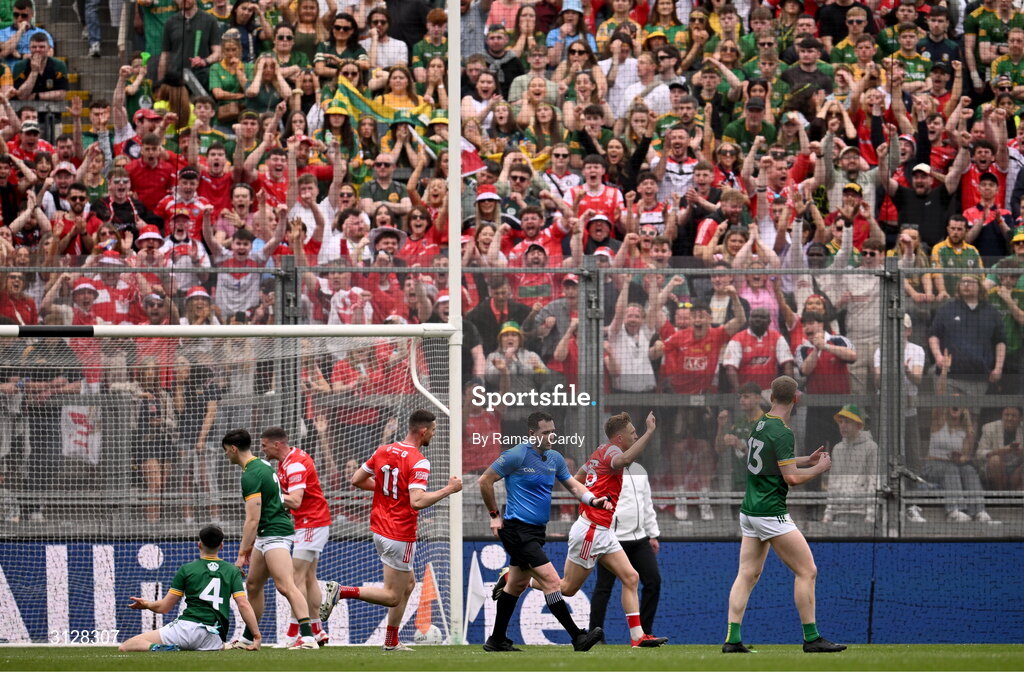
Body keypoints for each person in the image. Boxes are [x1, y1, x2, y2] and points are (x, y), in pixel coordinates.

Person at [319, 410, 462, 651]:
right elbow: (417, 501)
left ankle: (391, 641)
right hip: (400, 533)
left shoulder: (383, 450)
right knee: (393, 595)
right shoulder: (419, 461)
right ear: (423, 431)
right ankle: (342, 592)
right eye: (434, 431)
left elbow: (356, 479)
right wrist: (449, 489)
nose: (434, 435)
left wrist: (387, 489)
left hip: (379, 528)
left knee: (408, 585)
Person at [722, 375, 846, 654]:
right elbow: (790, 478)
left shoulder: (760, 424)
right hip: (770, 512)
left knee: (747, 574)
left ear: (771, 397)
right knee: (807, 571)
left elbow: (774, 461)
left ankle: (732, 640)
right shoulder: (783, 430)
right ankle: (812, 638)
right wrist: (818, 469)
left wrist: (806, 459)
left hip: (750, 510)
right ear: (796, 398)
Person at [477, 411, 607, 652]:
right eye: (546, 432)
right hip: (517, 530)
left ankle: (496, 640)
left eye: (553, 431)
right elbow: (485, 480)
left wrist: (592, 499)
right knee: (550, 581)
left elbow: (573, 486)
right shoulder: (516, 455)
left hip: (536, 532)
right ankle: (577, 637)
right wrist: (494, 516)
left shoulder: (555, 458)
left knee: (516, 585)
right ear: (532, 434)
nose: (551, 436)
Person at [551, 411, 667, 648]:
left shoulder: (600, 452)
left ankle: (637, 637)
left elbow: (578, 477)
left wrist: (590, 498)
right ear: (619, 438)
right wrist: (650, 432)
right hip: (591, 531)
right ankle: (518, 578)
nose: (635, 436)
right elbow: (623, 461)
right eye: (632, 433)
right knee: (567, 588)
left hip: (603, 530)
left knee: (631, 577)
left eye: (637, 433)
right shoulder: (614, 452)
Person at [221, 428, 317, 649]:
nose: (227, 455)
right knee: (253, 585)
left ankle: (308, 637)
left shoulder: (251, 474)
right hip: (266, 534)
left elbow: (252, 519)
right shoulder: (262, 465)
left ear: (234, 449)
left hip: (275, 533)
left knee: (286, 586)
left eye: (227, 451)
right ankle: (247, 637)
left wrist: (241, 553)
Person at [120, 525, 261, 651]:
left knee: (127, 645)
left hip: (185, 629)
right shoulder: (232, 571)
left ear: (199, 544)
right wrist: (256, 636)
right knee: (220, 645)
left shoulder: (187, 569)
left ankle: (160, 648)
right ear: (221, 546)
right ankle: (224, 646)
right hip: (213, 637)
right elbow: (243, 604)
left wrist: (146, 604)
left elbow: (164, 608)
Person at [260, 426, 332, 647]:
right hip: (311, 523)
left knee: (294, 579)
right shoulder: (287, 461)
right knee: (309, 578)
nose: (263, 450)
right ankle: (318, 631)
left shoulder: (294, 465)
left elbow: (296, 500)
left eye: (264, 446)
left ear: (277, 444)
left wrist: (270, 494)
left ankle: (295, 635)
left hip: (312, 523)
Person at [587, 459, 661, 639]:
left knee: (653, 582)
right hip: (612, 539)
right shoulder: (604, 469)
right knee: (604, 588)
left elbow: (647, 503)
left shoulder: (640, 469)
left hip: (639, 538)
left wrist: (653, 533)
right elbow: (592, 498)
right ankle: (595, 635)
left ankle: (644, 633)